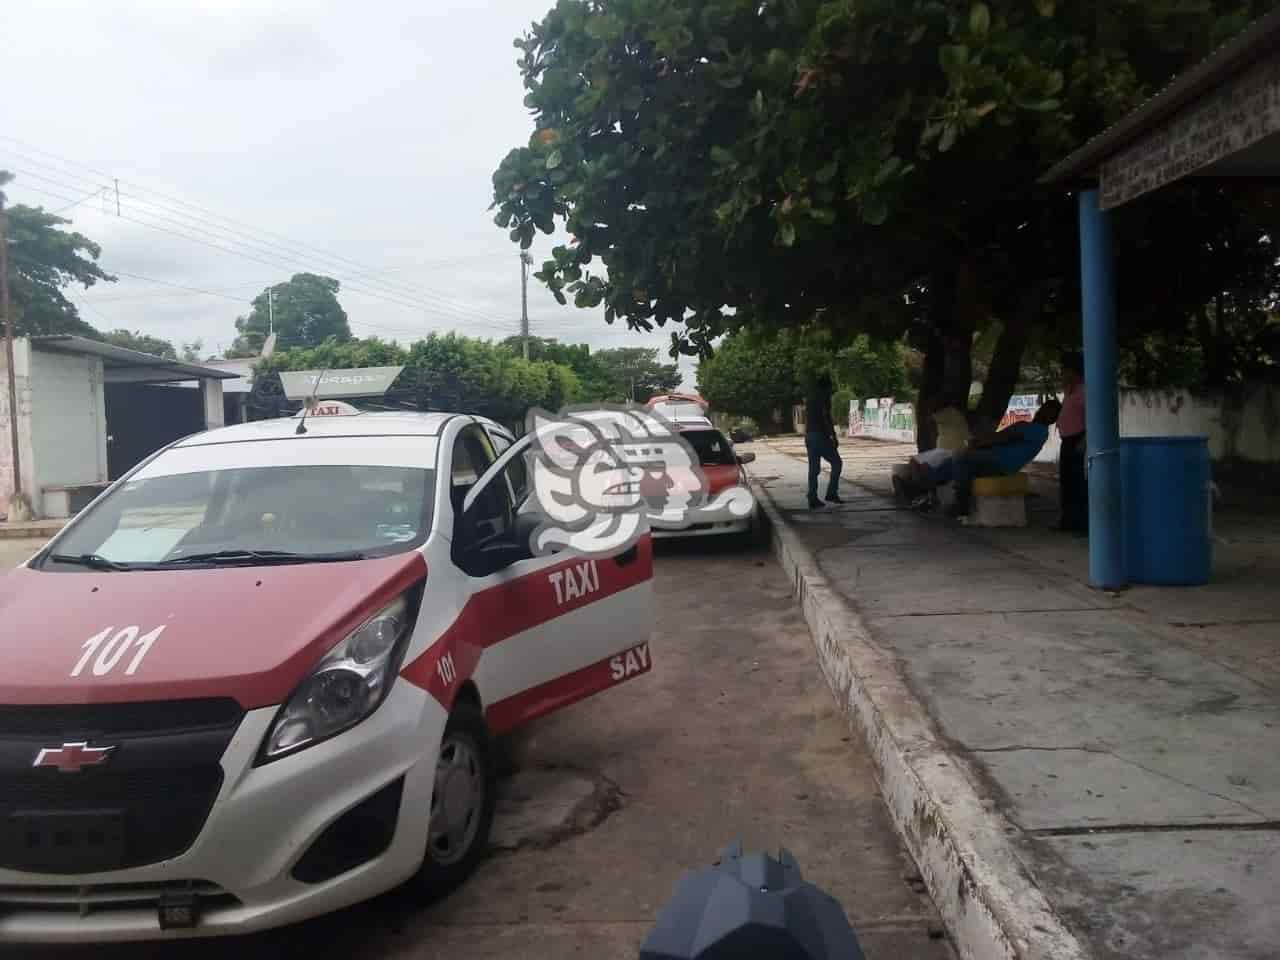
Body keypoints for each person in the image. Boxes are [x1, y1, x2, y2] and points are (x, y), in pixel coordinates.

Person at [947, 398, 1062, 518]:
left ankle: (961, 505)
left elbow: (1002, 438)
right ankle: (934, 485)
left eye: (1045, 410)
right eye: (1042, 408)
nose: (1040, 411)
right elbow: (1001, 437)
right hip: (997, 460)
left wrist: (978, 443)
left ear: (1051, 418)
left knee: (962, 459)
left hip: (998, 463)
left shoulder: (1036, 430)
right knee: (954, 461)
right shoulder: (1033, 429)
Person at [1057, 352, 1087, 534]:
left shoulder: (1084, 391)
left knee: (1077, 484)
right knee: (1067, 483)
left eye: (1064, 370)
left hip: (1078, 441)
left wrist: (1084, 440)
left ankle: (1080, 523)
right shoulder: (1071, 391)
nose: (1062, 374)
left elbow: (1091, 418)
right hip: (1067, 441)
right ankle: (1068, 522)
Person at [804, 371, 843, 509]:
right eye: (831, 388)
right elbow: (826, 419)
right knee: (837, 463)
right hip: (819, 436)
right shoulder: (823, 397)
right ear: (827, 387)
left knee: (813, 469)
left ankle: (812, 497)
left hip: (809, 436)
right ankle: (831, 493)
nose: (831, 391)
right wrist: (833, 436)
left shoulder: (810, 398)